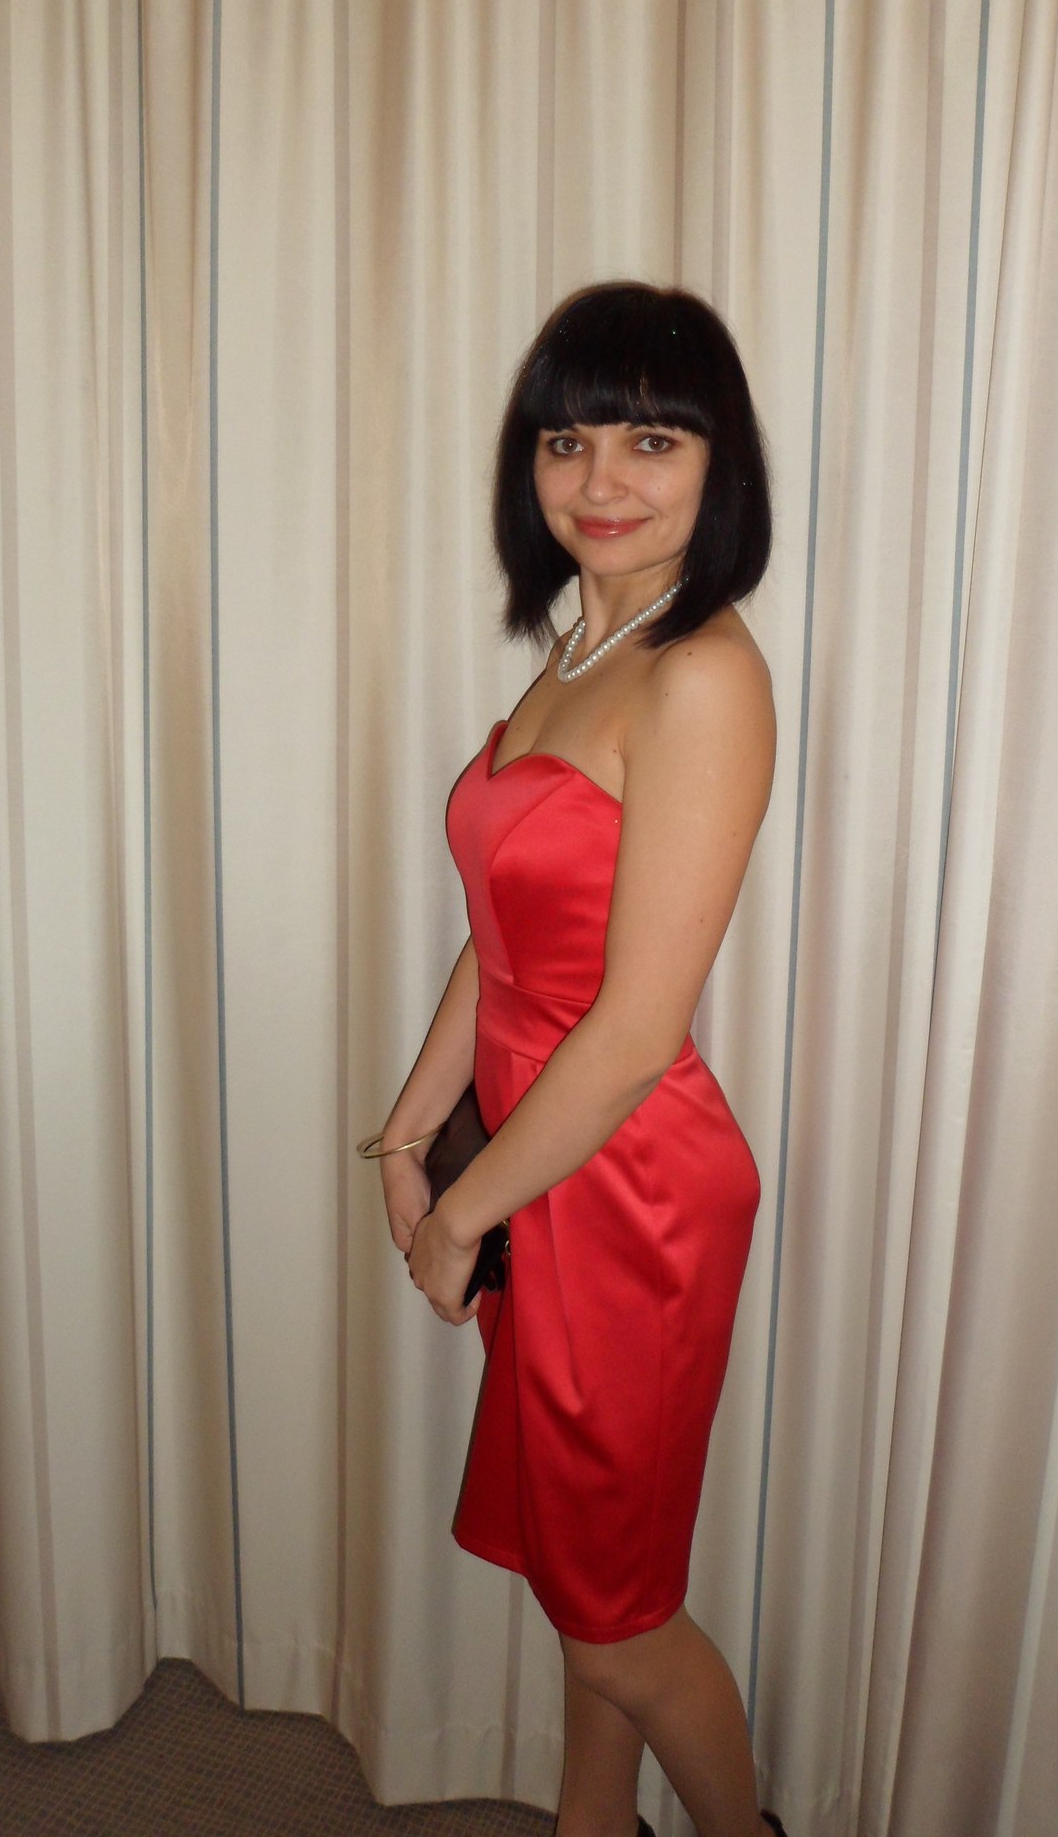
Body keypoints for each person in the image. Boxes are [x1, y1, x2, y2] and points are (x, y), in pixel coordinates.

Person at [370, 283, 786, 1837]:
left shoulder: (701, 674)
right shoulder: (577, 655)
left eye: (651, 441)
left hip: (629, 1193)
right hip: (544, 1167)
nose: (602, 479)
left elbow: (630, 1028)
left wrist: (461, 1221)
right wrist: (411, 1135)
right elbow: (505, 935)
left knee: (619, 1619)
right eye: (568, 440)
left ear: (718, 466)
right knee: (585, 1577)